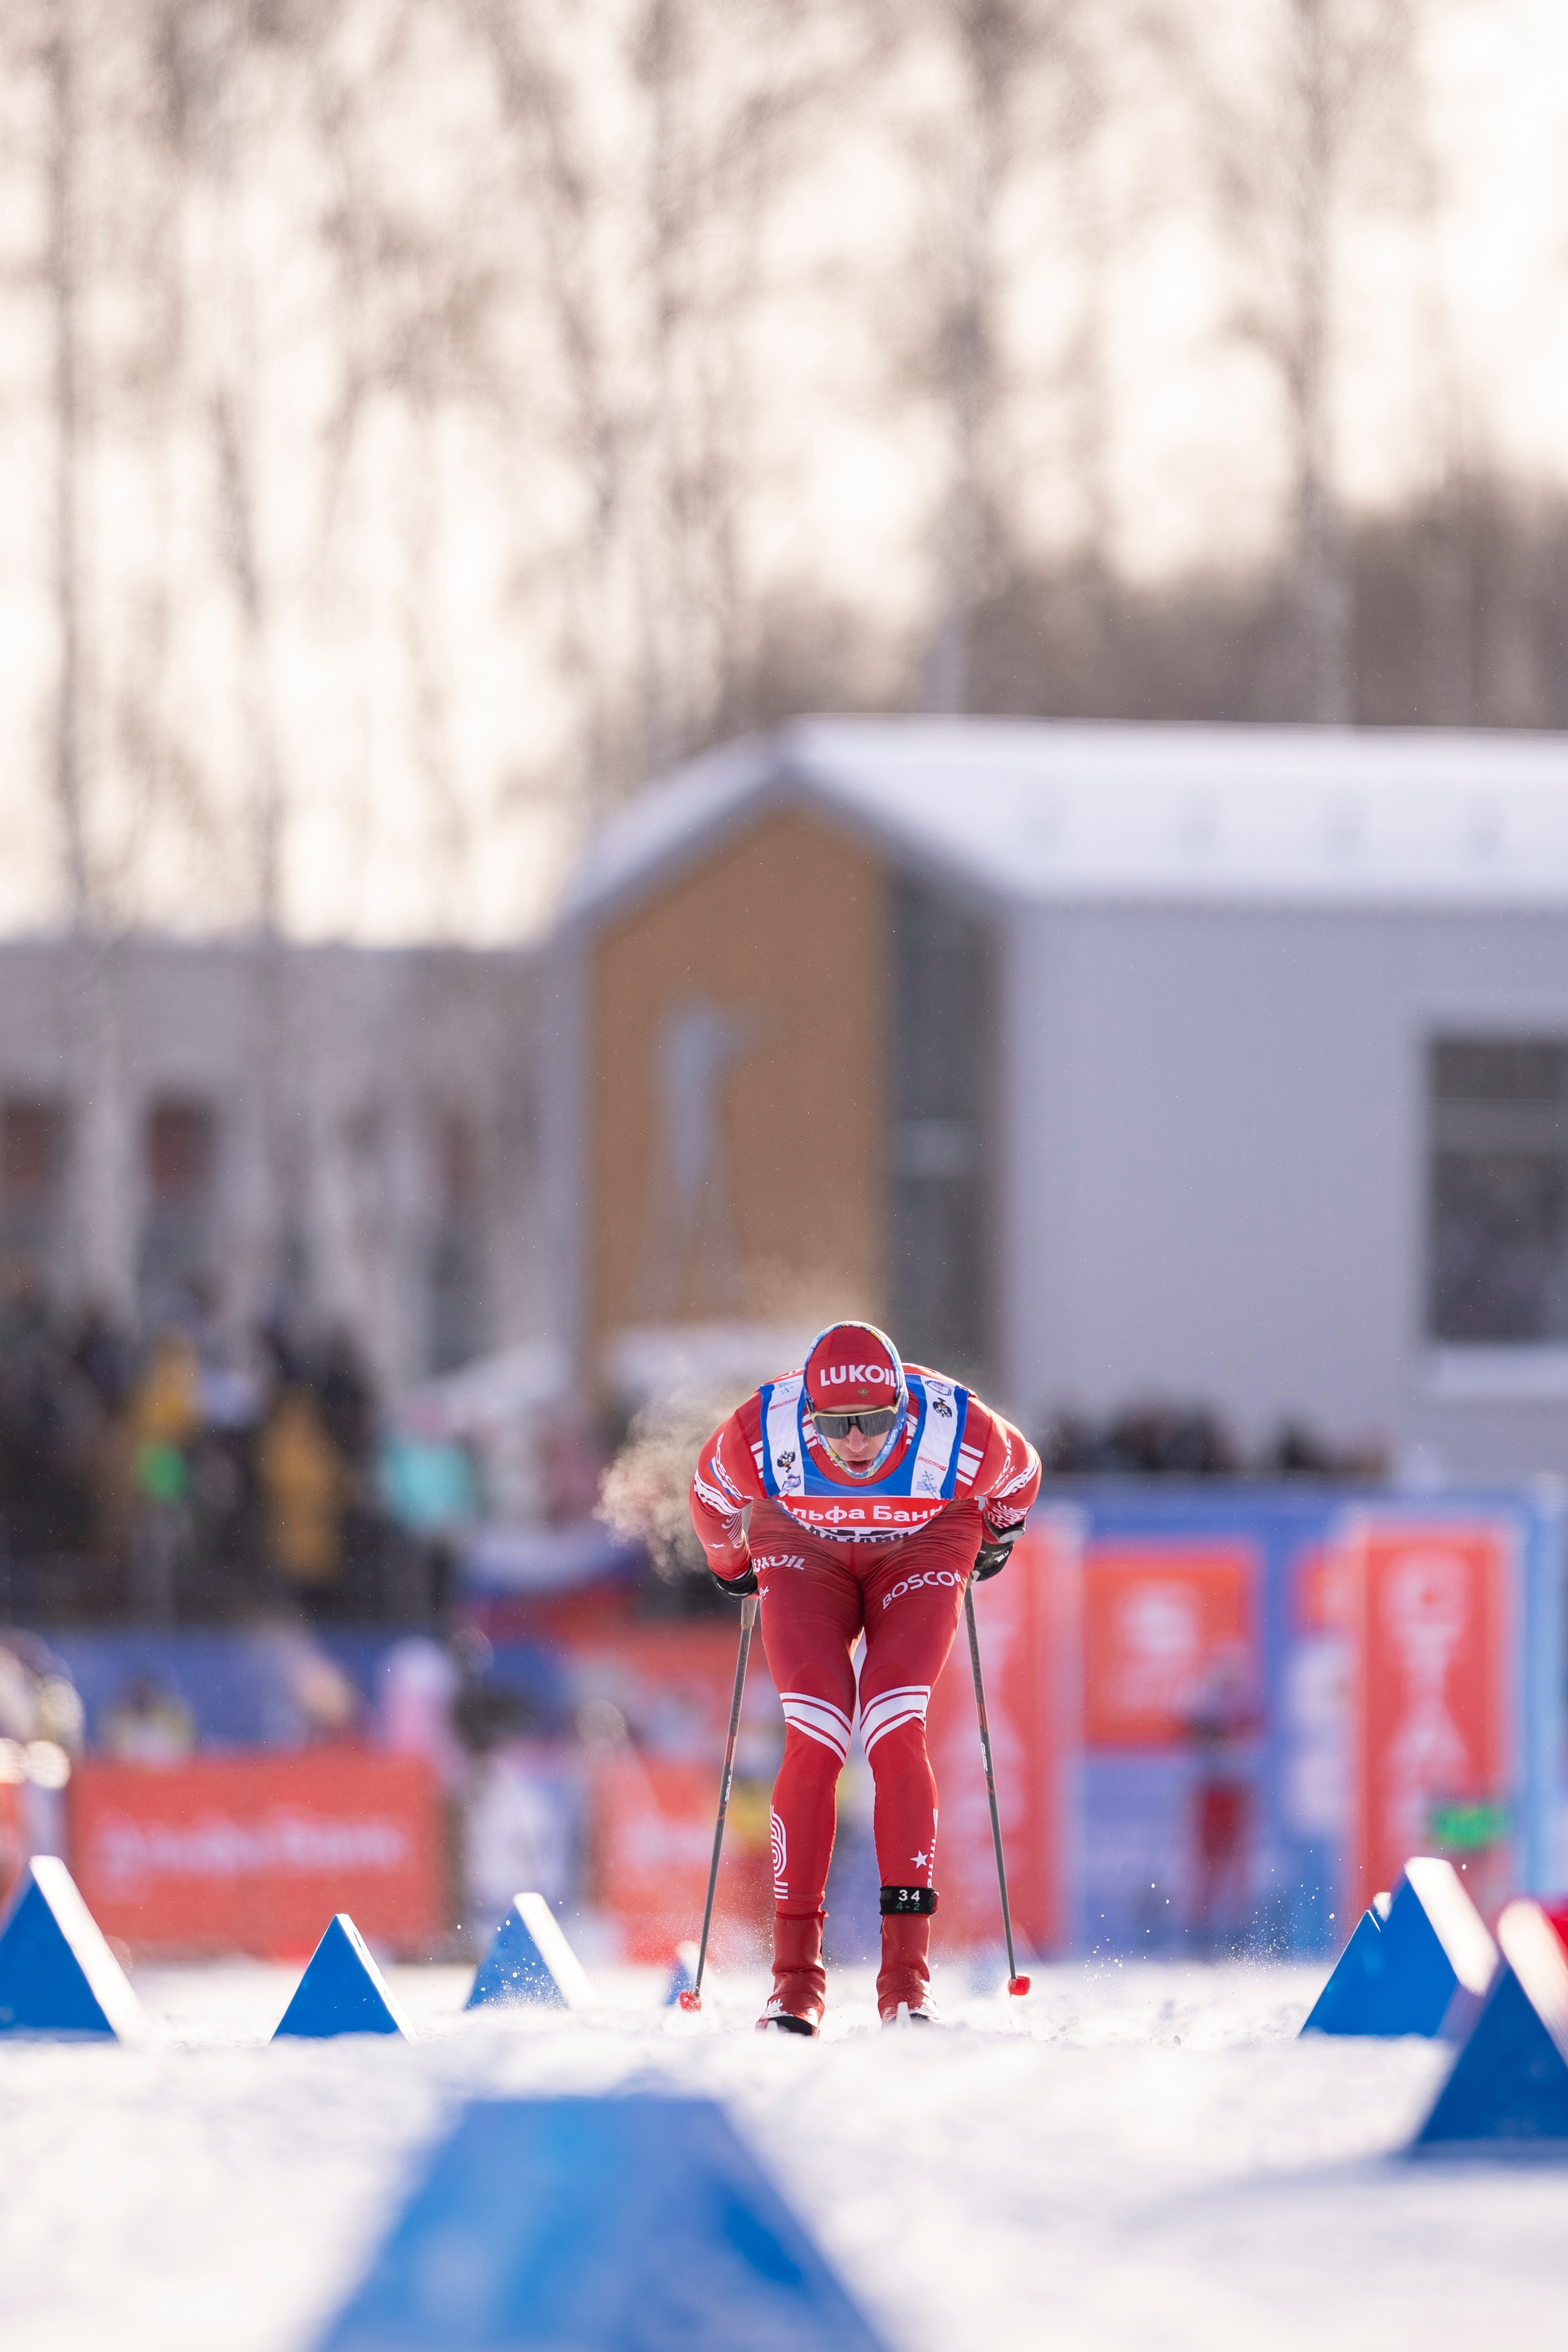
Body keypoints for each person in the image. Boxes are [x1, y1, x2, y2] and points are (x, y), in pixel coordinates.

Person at [687, 1319, 1040, 2033]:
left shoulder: (959, 1435)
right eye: (837, 1423)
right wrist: (732, 1567)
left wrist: (994, 1539)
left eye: (875, 1421)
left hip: (922, 1545)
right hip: (803, 1546)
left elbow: (1022, 1480)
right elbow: (708, 1500)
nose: (855, 1441)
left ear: (902, 1407)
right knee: (815, 1732)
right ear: (808, 1410)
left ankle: (907, 1982)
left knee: (891, 1723)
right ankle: (793, 1985)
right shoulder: (762, 1432)